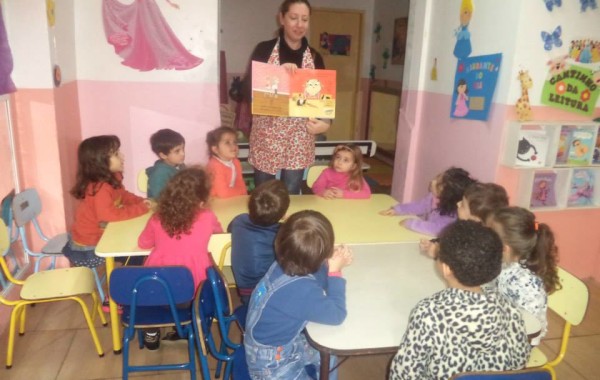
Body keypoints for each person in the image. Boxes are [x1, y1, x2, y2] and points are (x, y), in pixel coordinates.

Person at [389, 220, 531, 380]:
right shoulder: (508, 306)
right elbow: (521, 358)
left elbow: (403, 375)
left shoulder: (428, 313)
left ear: (446, 269)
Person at [244, 210, 353, 379]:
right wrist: (335, 272)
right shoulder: (301, 290)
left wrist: (327, 265)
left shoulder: (285, 262)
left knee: (328, 357)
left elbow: (315, 278)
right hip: (270, 364)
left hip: (282, 346)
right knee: (326, 355)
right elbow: (337, 314)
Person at [242, 0, 332, 194]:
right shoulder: (264, 50)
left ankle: (289, 225)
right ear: (281, 18)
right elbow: (246, 90)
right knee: (263, 192)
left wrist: (325, 122)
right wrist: (275, 75)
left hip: (300, 136)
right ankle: (263, 225)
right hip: (267, 134)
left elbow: (324, 98)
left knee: (291, 191)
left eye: (304, 19)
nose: (299, 25)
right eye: (293, 18)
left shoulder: (315, 57)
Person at [138, 166, 224, 349]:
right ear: (201, 201)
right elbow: (219, 233)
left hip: (159, 289)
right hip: (194, 292)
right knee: (196, 298)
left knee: (149, 291)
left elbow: (143, 243)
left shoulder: (158, 217)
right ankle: (193, 329)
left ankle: (151, 331)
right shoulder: (207, 217)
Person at [63, 135, 151, 300]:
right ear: (100, 161)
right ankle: (115, 296)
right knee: (134, 253)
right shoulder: (100, 188)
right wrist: (140, 209)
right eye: (116, 154)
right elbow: (109, 215)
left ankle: (128, 285)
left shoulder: (111, 180)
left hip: (100, 236)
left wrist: (141, 201)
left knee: (136, 251)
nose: (122, 156)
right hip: (88, 247)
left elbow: (123, 196)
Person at [485, 206, 561, 346]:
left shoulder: (525, 283)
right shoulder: (506, 261)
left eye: (490, 235)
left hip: (520, 341)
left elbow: (529, 329)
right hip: (500, 321)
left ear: (505, 249)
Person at [228, 179, 290, 305]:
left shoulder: (239, 220)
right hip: (267, 296)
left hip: (246, 292)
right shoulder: (281, 234)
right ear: (283, 215)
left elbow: (230, 229)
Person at [421, 182, 509, 258]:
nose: (458, 204)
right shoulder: (463, 226)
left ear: (476, 218)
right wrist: (434, 244)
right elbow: (450, 241)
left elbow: (462, 263)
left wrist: (437, 253)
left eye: (463, 205)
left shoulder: (481, 244)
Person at [380, 167, 476, 236]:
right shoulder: (433, 197)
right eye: (436, 178)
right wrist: (398, 210)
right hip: (426, 238)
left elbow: (436, 229)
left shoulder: (451, 214)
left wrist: (410, 223)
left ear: (446, 193)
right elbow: (419, 206)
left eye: (437, 182)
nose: (432, 181)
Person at [205, 126, 247, 198]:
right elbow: (223, 193)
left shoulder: (235, 162)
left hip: (230, 198)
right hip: (215, 201)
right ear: (215, 149)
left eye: (234, 142)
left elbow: (240, 182)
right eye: (227, 143)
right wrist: (241, 191)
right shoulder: (215, 166)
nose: (233, 145)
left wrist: (244, 195)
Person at [146, 128, 186, 199]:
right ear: (163, 155)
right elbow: (161, 199)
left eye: (183, 149)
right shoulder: (159, 174)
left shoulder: (181, 166)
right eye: (177, 151)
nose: (182, 154)